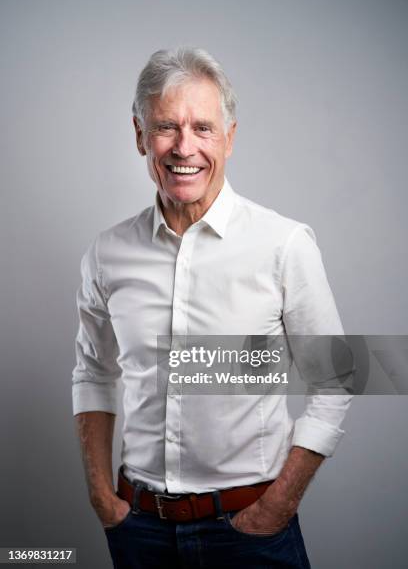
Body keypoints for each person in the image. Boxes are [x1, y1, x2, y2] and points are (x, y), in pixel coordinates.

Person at [72, 47, 352, 568]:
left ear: (229, 136)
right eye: (165, 127)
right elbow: (92, 372)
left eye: (203, 127)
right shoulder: (106, 254)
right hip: (139, 531)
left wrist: (277, 506)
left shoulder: (284, 245)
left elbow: (335, 382)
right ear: (139, 135)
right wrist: (100, 496)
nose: (185, 147)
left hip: (251, 533)